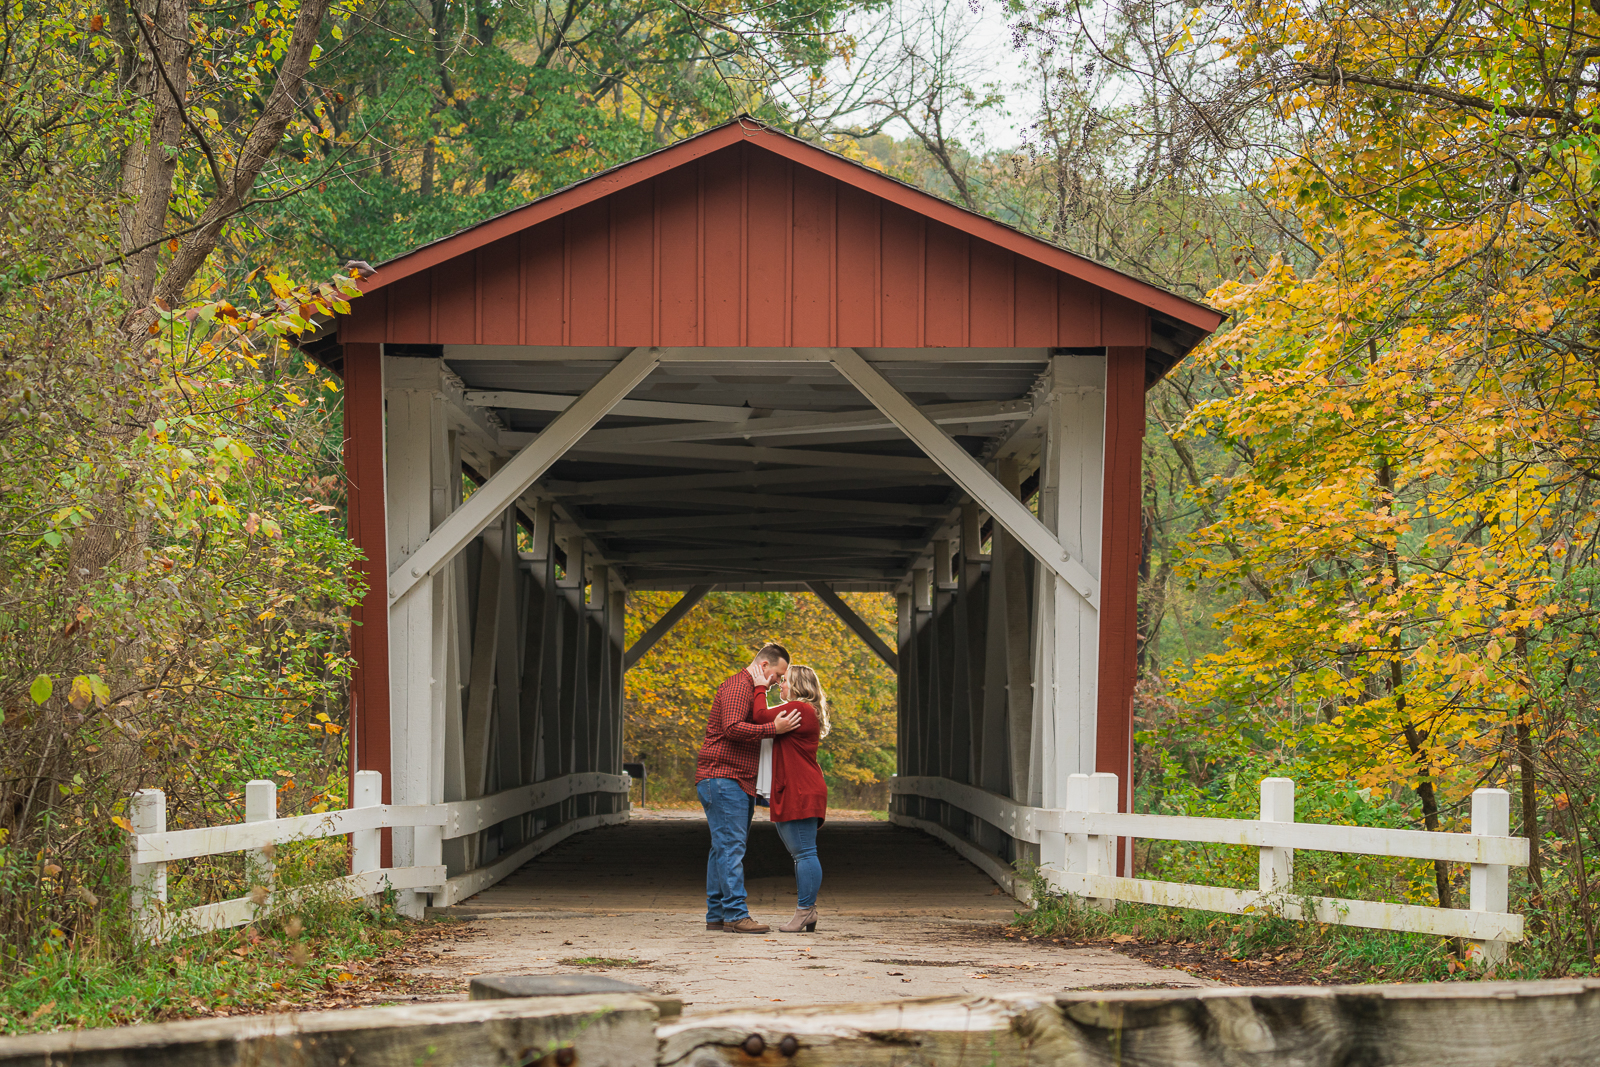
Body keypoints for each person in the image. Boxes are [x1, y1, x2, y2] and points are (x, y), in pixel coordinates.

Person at [694, 643, 800, 934]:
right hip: (723, 777)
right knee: (731, 848)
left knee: (721, 849)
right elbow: (732, 728)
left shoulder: (749, 689)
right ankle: (736, 915)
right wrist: (772, 730)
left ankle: (716, 915)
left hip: (732, 778)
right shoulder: (738, 687)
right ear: (764, 666)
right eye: (777, 675)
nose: (778, 681)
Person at [751, 664, 829, 933]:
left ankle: (806, 911)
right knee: (801, 854)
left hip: (801, 790)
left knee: (805, 853)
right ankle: (807, 910)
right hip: (795, 788)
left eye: (784, 681)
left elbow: (759, 716)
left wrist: (760, 684)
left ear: (798, 685)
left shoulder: (801, 709)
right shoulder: (800, 710)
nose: (779, 685)